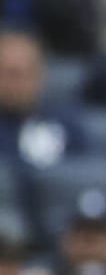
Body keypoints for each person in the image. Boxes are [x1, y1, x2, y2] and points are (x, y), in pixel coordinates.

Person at [0, 27, 87, 170]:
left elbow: (83, 179)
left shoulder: (66, 126)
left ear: (40, 75)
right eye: (8, 73)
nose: (15, 84)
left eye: (24, 73)